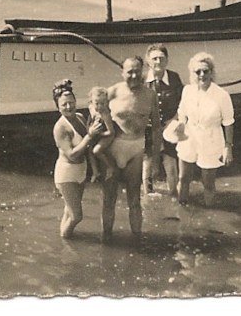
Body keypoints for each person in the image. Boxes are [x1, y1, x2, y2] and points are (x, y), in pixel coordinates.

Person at [101, 56, 160, 241]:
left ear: (142, 71)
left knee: (135, 200)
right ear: (122, 72)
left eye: (137, 71)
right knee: (109, 198)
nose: (134, 75)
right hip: (113, 148)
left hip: (136, 149)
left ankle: (137, 240)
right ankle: (107, 239)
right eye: (129, 72)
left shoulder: (150, 95)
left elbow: (157, 127)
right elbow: (94, 116)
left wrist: (155, 160)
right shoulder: (112, 92)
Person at [174, 52, 234, 207]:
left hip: (211, 139)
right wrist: (180, 124)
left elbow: (228, 123)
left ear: (211, 72)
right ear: (192, 73)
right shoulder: (187, 90)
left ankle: (210, 213)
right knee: (183, 178)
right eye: (197, 71)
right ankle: (182, 209)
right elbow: (181, 112)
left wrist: (228, 147)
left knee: (208, 183)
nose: (202, 75)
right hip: (189, 137)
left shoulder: (222, 95)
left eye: (205, 71)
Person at [51, 79, 101, 239]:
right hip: (67, 174)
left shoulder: (79, 117)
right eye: (64, 104)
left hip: (81, 170)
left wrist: (95, 169)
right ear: (57, 107)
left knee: (69, 210)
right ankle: (66, 244)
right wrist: (90, 135)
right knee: (76, 216)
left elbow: (89, 148)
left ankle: (64, 236)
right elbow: (72, 154)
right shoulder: (60, 127)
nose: (68, 107)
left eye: (71, 103)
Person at [143, 43, 184, 199]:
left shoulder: (174, 78)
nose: (158, 62)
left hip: (169, 129)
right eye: (154, 59)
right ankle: (147, 198)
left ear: (167, 60)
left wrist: (173, 120)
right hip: (148, 131)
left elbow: (183, 104)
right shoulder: (142, 80)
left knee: (171, 167)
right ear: (148, 61)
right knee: (147, 166)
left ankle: (174, 197)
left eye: (161, 58)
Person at [85, 85, 120, 182]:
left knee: (96, 151)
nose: (99, 106)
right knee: (90, 149)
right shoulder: (92, 108)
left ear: (107, 103)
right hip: (98, 131)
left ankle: (110, 167)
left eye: (103, 103)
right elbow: (91, 117)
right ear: (91, 102)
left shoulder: (105, 114)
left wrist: (100, 134)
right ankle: (95, 172)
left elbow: (111, 131)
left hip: (107, 134)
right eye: (97, 103)